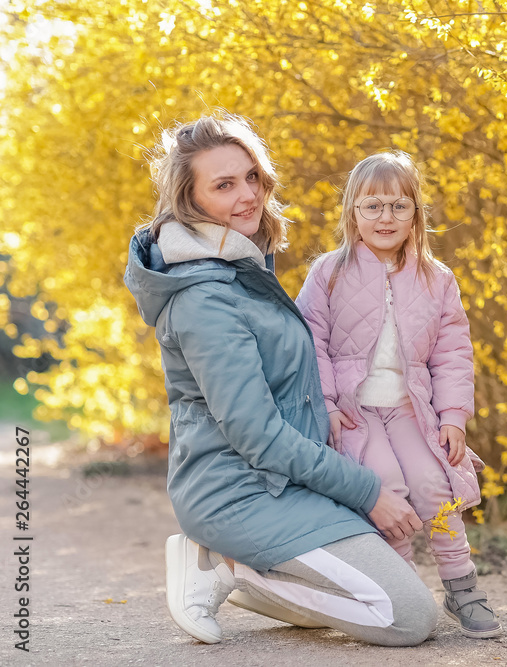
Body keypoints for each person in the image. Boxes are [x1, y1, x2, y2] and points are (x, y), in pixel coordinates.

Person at [123, 114, 438, 646]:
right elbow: (257, 434)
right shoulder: (205, 298)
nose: (248, 195)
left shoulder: (241, 268)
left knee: (366, 599)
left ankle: (240, 571)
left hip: (287, 483)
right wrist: (367, 491)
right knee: (407, 617)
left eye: (251, 176)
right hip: (237, 492)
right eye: (223, 185)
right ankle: (225, 565)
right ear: (190, 200)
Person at [295, 150, 502, 639]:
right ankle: (402, 590)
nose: (385, 217)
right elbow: (310, 343)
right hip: (354, 412)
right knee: (385, 485)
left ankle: (461, 585)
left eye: (398, 206)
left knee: (435, 487)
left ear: (416, 214)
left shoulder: (437, 279)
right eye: (372, 206)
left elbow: (453, 352)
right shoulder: (329, 272)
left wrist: (453, 415)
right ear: (353, 213)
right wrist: (324, 405)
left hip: (413, 409)